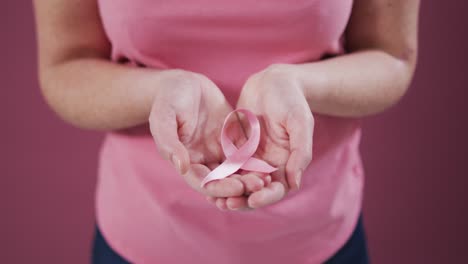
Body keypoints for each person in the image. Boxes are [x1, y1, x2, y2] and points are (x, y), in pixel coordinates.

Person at [33, 0, 419, 263]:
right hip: (140, 240)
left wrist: (299, 83)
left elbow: (392, 57)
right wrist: (158, 91)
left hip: (320, 239)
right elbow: (66, 65)